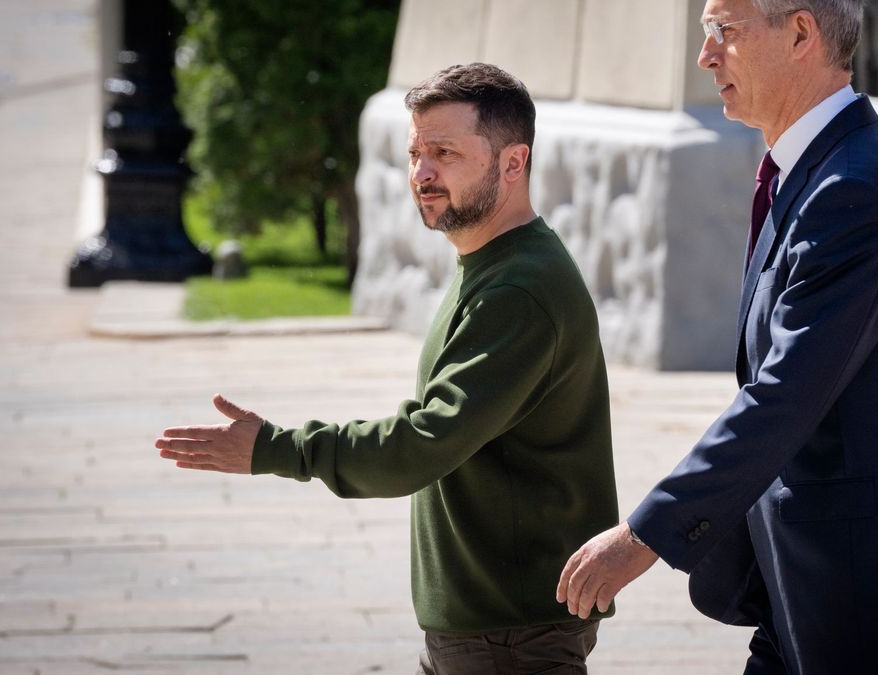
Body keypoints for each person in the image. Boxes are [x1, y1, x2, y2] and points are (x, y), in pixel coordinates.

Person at [556, 1, 878, 673]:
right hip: (810, 587)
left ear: (801, 33)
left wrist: (644, 535)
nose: (706, 56)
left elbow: (783, 396)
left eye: (725, 32)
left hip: (866, 602)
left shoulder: (856, 190)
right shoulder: (818, 173)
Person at [157, 63, 618, 675]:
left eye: (446, 152)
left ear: (513, 163)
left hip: (508, 637)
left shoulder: (518, 290)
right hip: (489, 628)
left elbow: (423, 443)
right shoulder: (493, 266)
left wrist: (278, 449)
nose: (422, 173)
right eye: (416, 153)